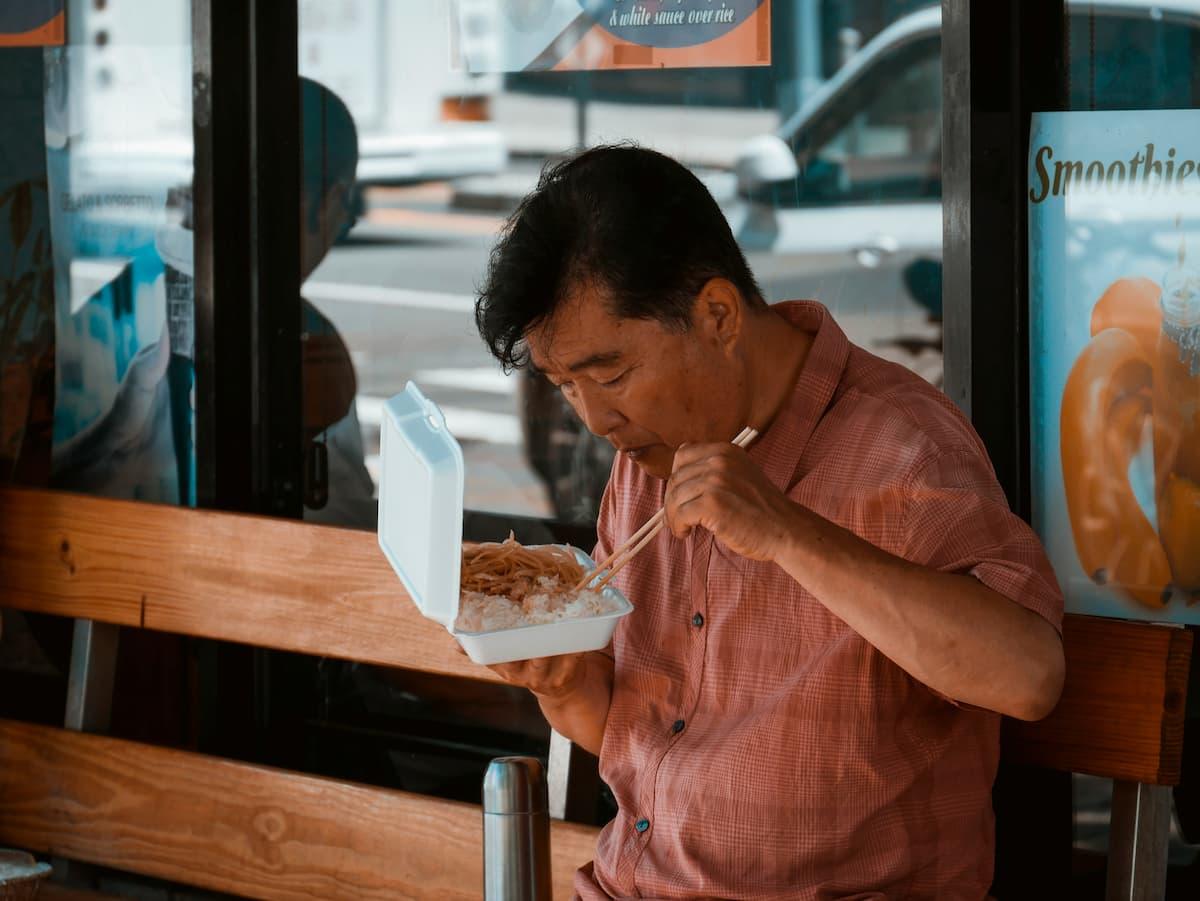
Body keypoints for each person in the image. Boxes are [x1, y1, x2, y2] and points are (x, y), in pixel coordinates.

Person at [472, 145, 1065, 900]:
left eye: (612, 374)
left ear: (717, 314)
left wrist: (787, 531)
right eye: (566, 386)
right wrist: (560, 683)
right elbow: (650, 744)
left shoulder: (903, 449)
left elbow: (1029, 675)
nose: (596, 417)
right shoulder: (645, 461)